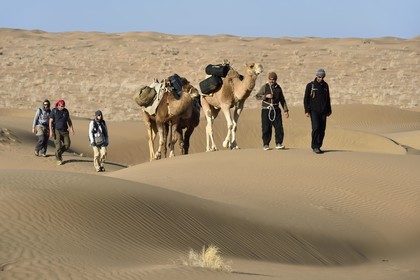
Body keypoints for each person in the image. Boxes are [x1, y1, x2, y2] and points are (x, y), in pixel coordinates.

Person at [255, 72, 289, 150]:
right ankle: (266, 144)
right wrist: (265, 96)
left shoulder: (278, 88)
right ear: (268, 79)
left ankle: (278, 143)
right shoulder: (265, 87)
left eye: (273, 79)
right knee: (266, 128)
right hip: (266, 110)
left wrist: (285, 110)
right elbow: (257, 96)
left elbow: (282, 100)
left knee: (279, 127)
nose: (271, 81)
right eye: (270, 79)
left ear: (275, 80)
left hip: (276, 110)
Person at [304, 68, 332, 154]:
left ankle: (319, 145)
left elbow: (328, 98)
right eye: (320, 77)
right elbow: (306, 98)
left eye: (323, 77)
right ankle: (315, 146)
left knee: (322, 129)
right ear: (316, 76)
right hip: (314, 111)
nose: (321, 79)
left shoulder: (325, 86)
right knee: (316, 128)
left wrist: (329, 109)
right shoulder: (310, 85)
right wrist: (307, 110)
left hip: (323, 111)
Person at [49, 99, 75, 165]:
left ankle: (59, 153)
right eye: (61, 106)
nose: (62, 107)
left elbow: (69, 120)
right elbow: (50, 121)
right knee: (58, 145)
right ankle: (58, 159)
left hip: (65, 131)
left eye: (63, 106)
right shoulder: (54, 111)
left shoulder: (66, 111)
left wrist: (71, 129)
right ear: (58, 105)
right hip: (57, 131)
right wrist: (51, 131)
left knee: (67, 144)